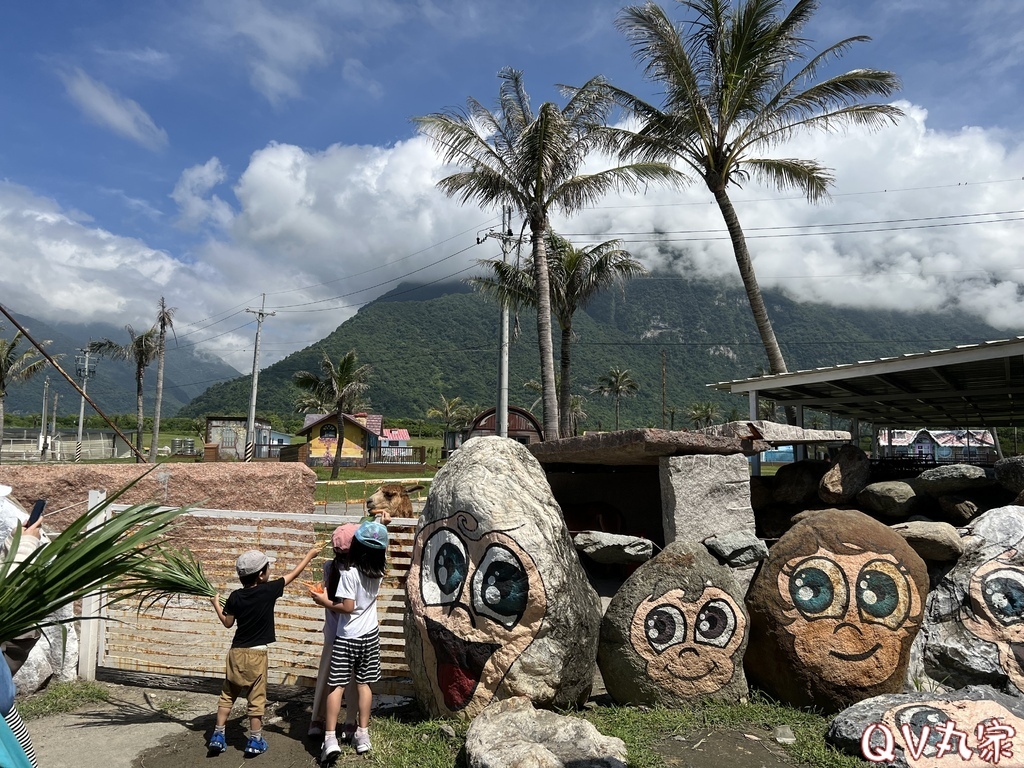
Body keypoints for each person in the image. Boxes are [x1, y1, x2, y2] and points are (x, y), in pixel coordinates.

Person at [208, 544, 320, 757]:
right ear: (261, 575)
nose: (270, 571)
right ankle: (255, 740)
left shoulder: (234, 597)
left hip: (235, 653)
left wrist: (215, 603)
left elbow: (227, 623)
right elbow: (293, 575)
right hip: (257, 654)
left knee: (227, 695)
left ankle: (217, 735)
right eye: (268, 568)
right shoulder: (269, 591)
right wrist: (309, 555)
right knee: (256, 698)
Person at [311, 520, 388, 761]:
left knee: (337, 686)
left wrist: (323, 601)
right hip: (370, 637)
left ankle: (330, 738)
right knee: (364, 685)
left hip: (347, 638)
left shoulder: (349, 574)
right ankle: (362, 734)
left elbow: (347, 607)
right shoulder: (378, 573)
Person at [307, 523, 359, 739]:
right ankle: (350, 722)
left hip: (332, 632)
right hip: (352, 633)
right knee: (354, 679)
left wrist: (323, 601)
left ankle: (316, 720)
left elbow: (327, 597)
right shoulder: (359, 571)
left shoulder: (329, 567)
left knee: (326, 675)